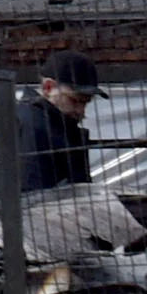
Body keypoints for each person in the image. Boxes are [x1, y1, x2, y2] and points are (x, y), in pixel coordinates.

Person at [16, 52, 102, 197]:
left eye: (85, 103)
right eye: (74, 100)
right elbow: (31, 200)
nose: (81, 111)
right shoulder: (33, 129)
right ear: (48, 88)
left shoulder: (41, 124)